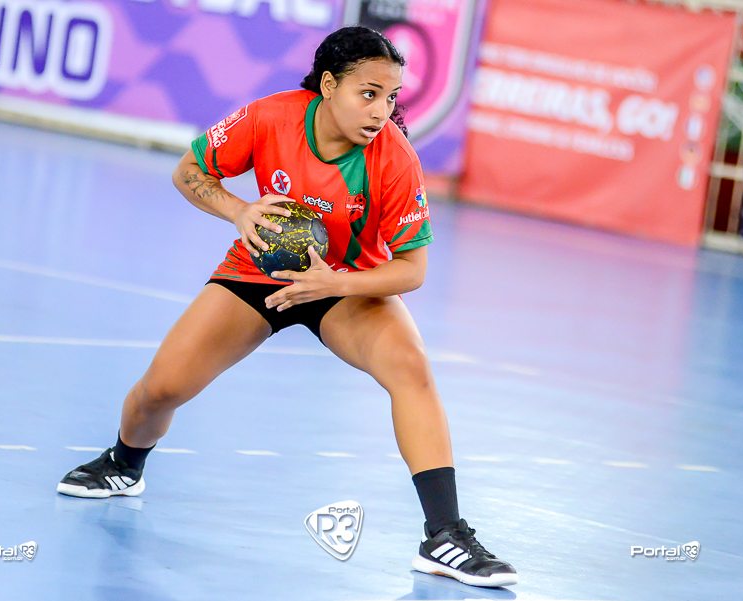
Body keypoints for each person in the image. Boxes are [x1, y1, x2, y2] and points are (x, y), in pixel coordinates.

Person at [56, 25, 518, 588]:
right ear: (328, 85)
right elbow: (189, 172)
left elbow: (411, 270)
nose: (382, 110)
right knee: (160, 390)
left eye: (391, 96)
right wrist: (239, 211)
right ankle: (124, 464)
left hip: (346, 283)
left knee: (410, 369)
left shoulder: (394, 158)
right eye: (368, 93)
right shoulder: (270, 117)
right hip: (259, 272)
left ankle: (445, 535)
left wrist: (332, 284)